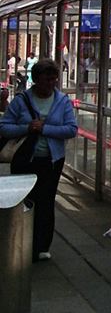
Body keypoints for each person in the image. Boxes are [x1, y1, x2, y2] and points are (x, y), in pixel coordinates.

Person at [0, 58, 78, 262]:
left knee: (46, 201)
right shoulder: (21, 101)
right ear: (36, 80)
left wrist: (45, 128)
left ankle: (42, 245)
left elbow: (71, 129)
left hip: (51, 160)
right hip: (25, 158)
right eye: (46, 80)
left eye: (54, 79)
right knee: (25, 200)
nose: (51, 84)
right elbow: (4, 126)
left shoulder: (62, 101)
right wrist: (27, 128)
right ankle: (20, 239)